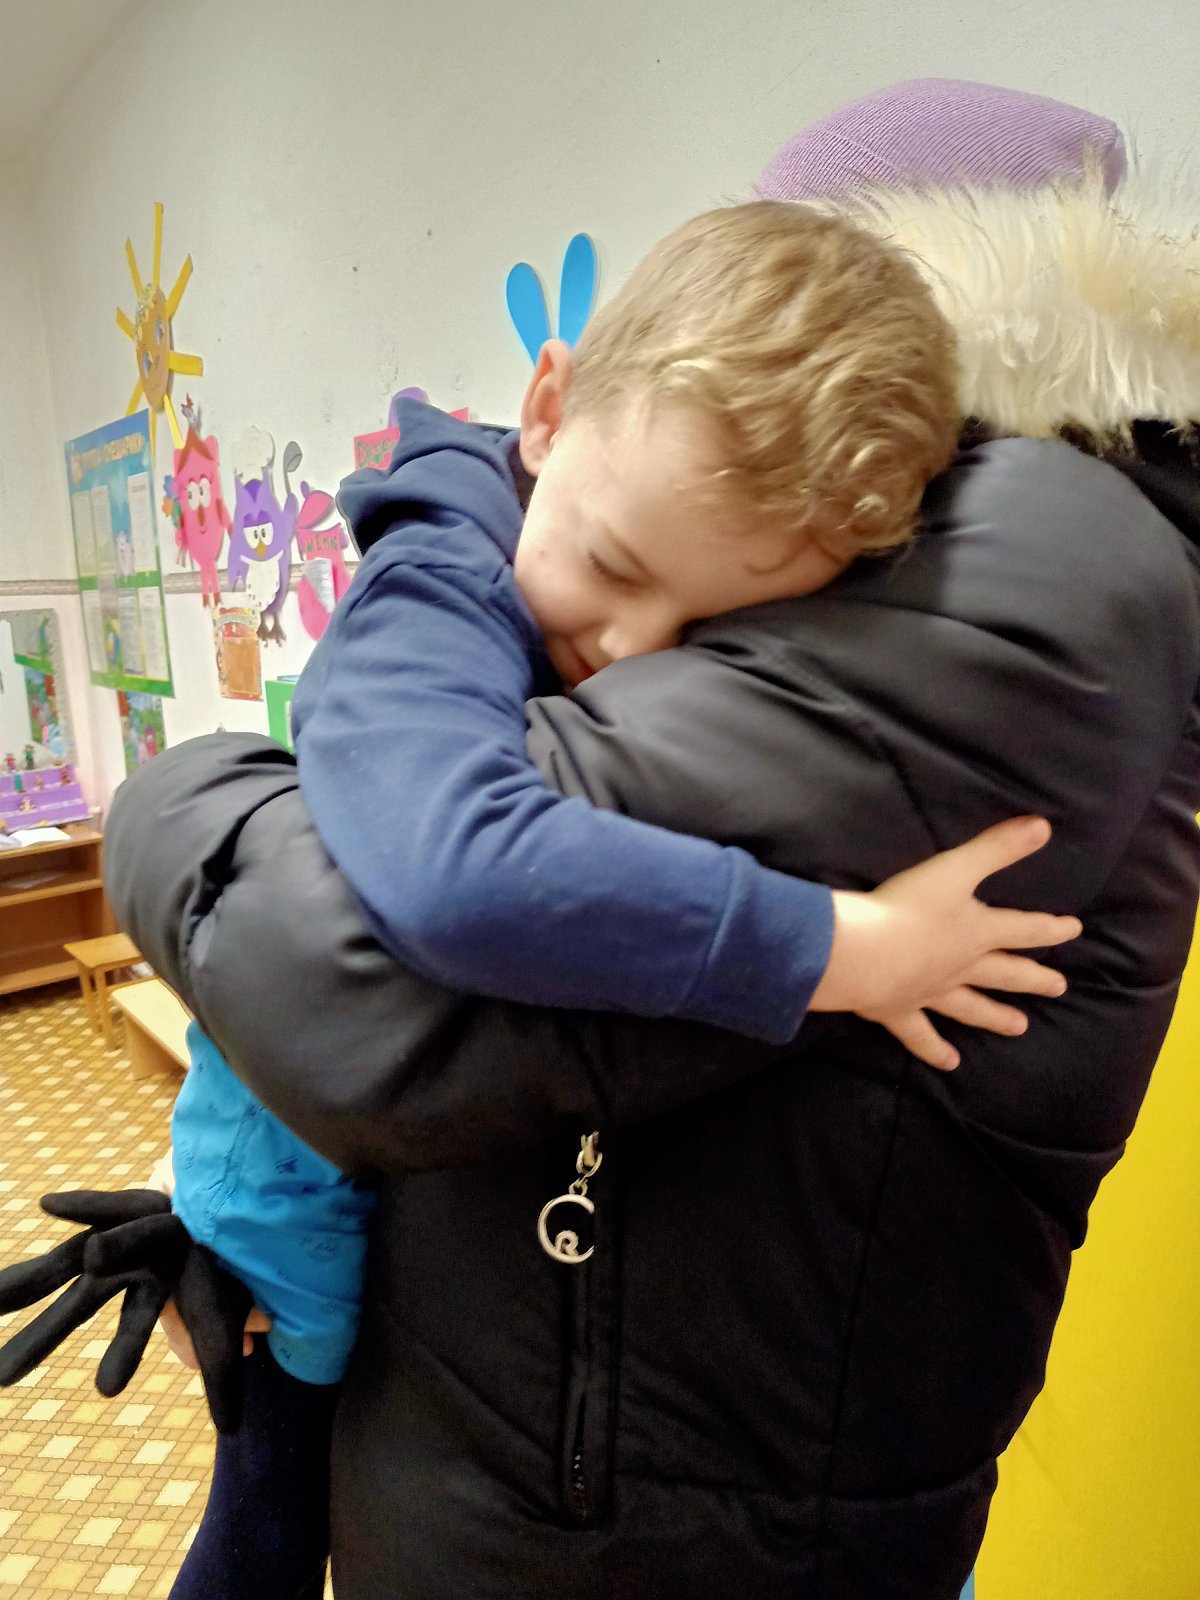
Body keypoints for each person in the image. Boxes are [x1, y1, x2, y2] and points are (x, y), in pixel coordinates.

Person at [71, 80, 1200, 1598]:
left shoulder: (1023, 569)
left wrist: (191, 805)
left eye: (705, 619)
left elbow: (347, 968)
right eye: (612, 569)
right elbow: (440, 880)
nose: (630, 651)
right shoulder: (464, 564)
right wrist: (838, 948)